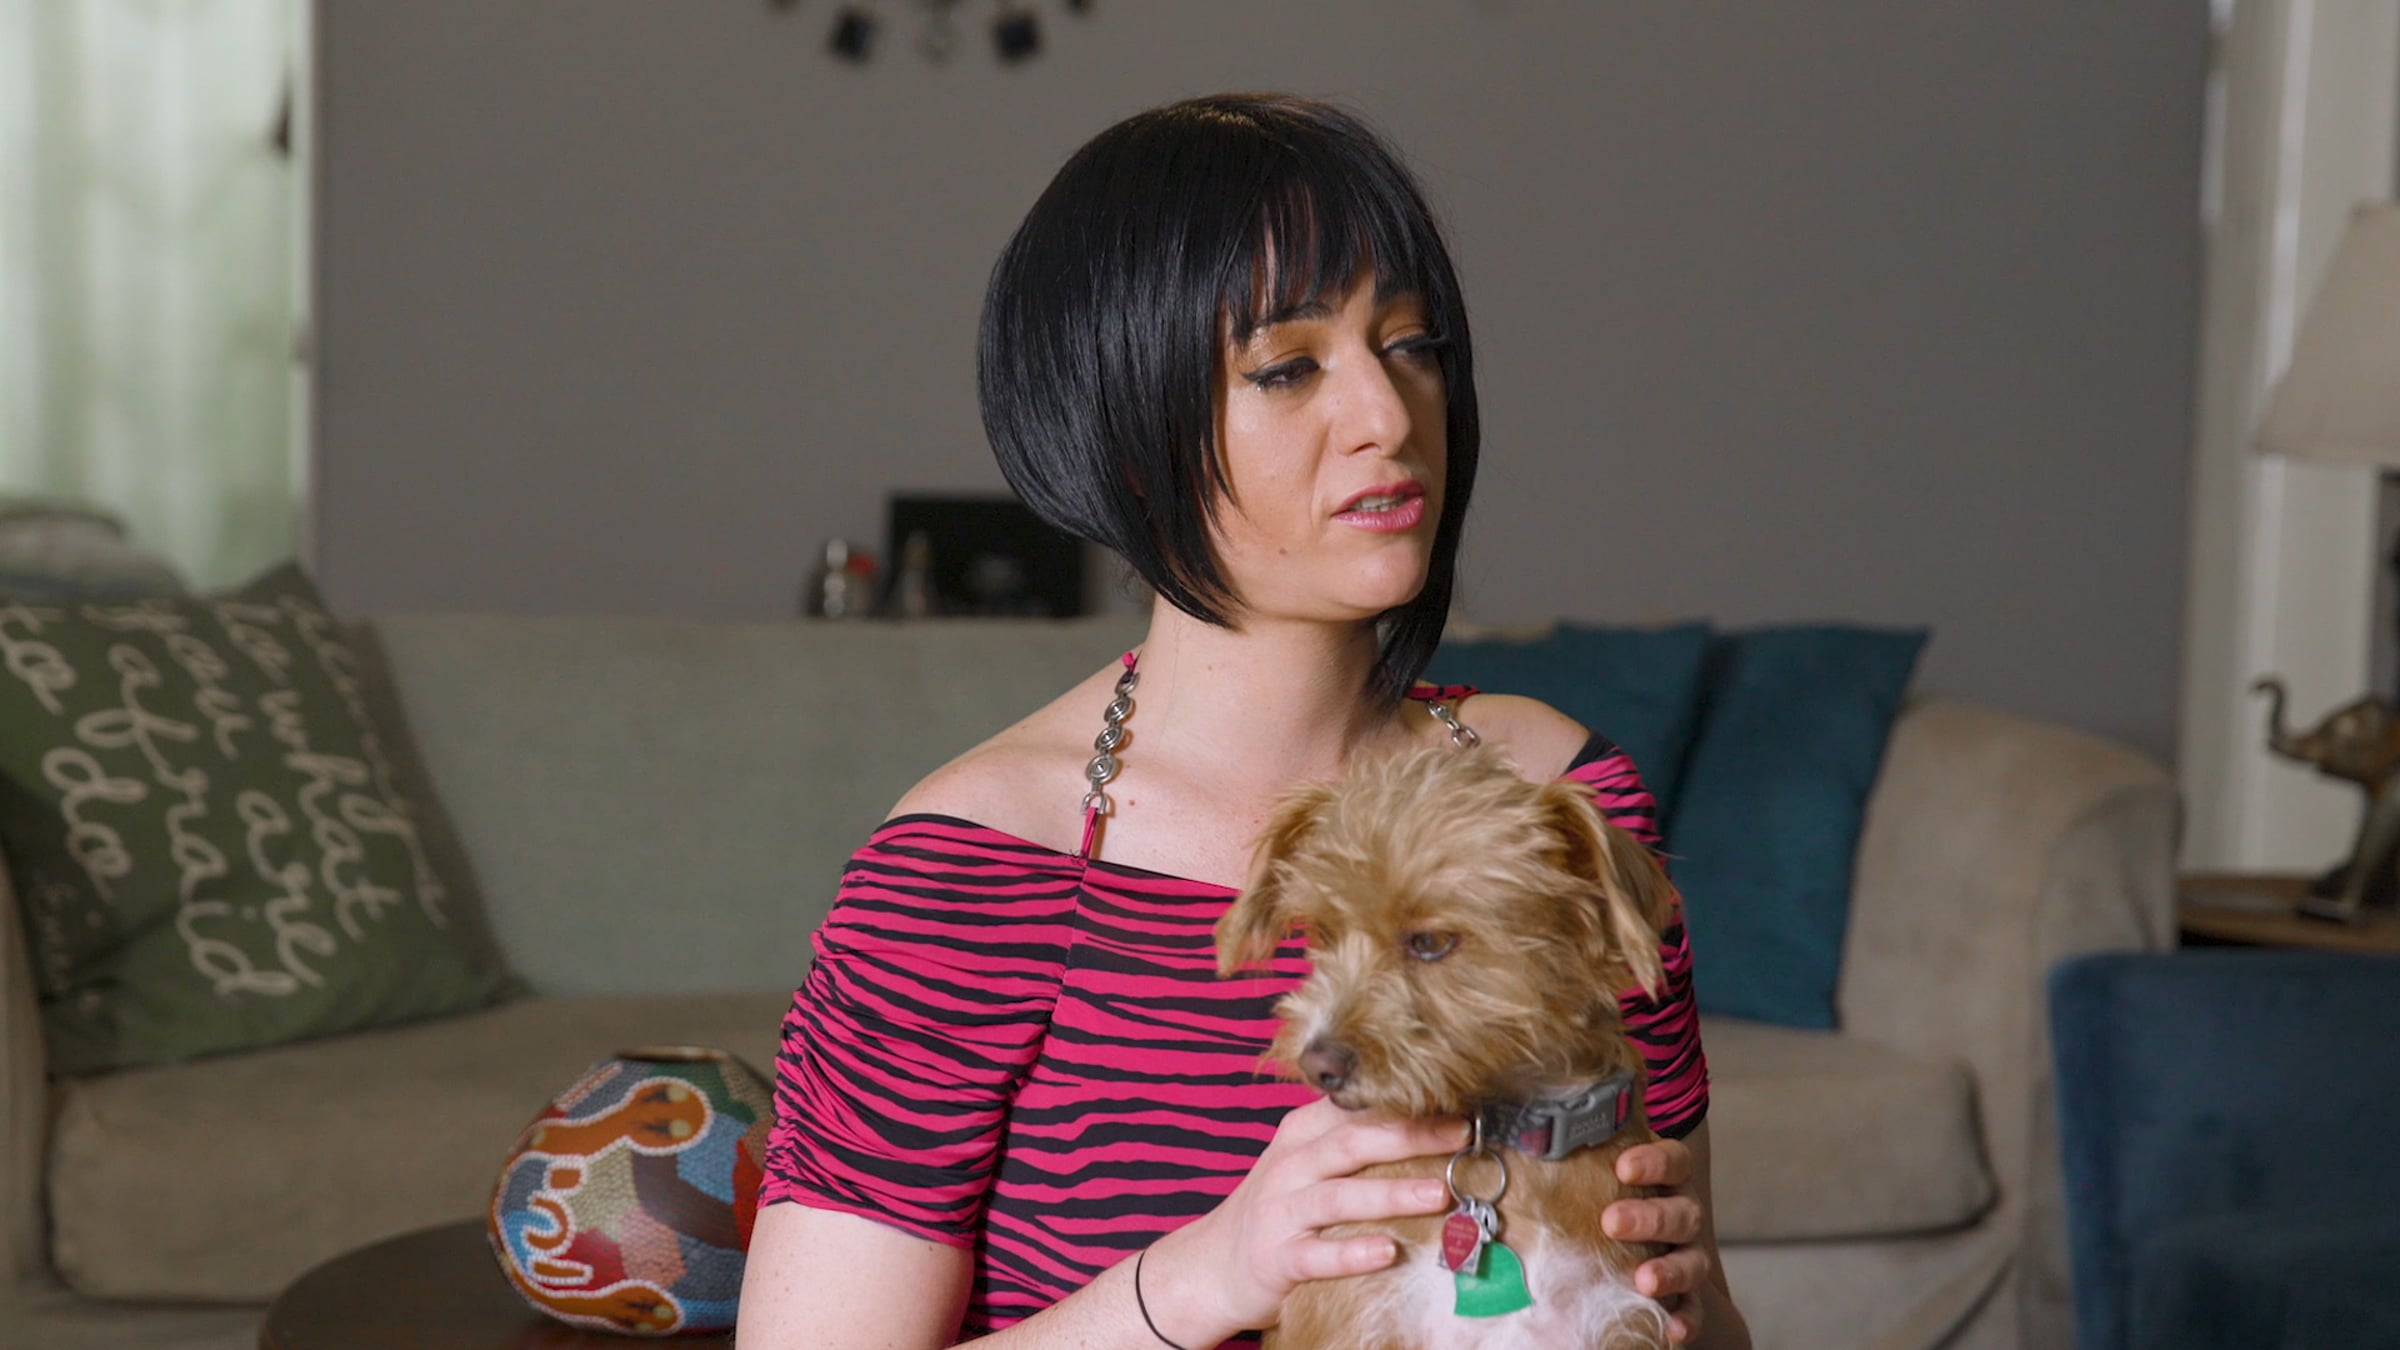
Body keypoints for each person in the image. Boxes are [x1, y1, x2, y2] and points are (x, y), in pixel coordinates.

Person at [736, 93, 1749, 1350]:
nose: (1389, 416)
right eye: (1288, 367)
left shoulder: (1557, 796)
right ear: (1128, 440)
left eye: (1412, 344)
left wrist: (1674, 1308)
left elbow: (1698, 1308)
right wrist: (1204, 1279)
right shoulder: (970, 866)